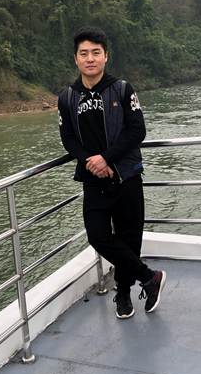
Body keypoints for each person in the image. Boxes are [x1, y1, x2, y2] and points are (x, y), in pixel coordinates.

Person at [58, 26, 166, 319]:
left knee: (130, 238)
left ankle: (124, 293)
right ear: (76, 59)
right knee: (97, 235)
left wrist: (106, 158)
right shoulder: (68, 97)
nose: (90, 58)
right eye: (84, 53)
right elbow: (68, 138)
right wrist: (90, 161)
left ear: (105, 56)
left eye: (96, 52)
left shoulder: (121, 89)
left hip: (126, 175)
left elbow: (137, 130)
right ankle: (149, 277)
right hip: (93, 180)